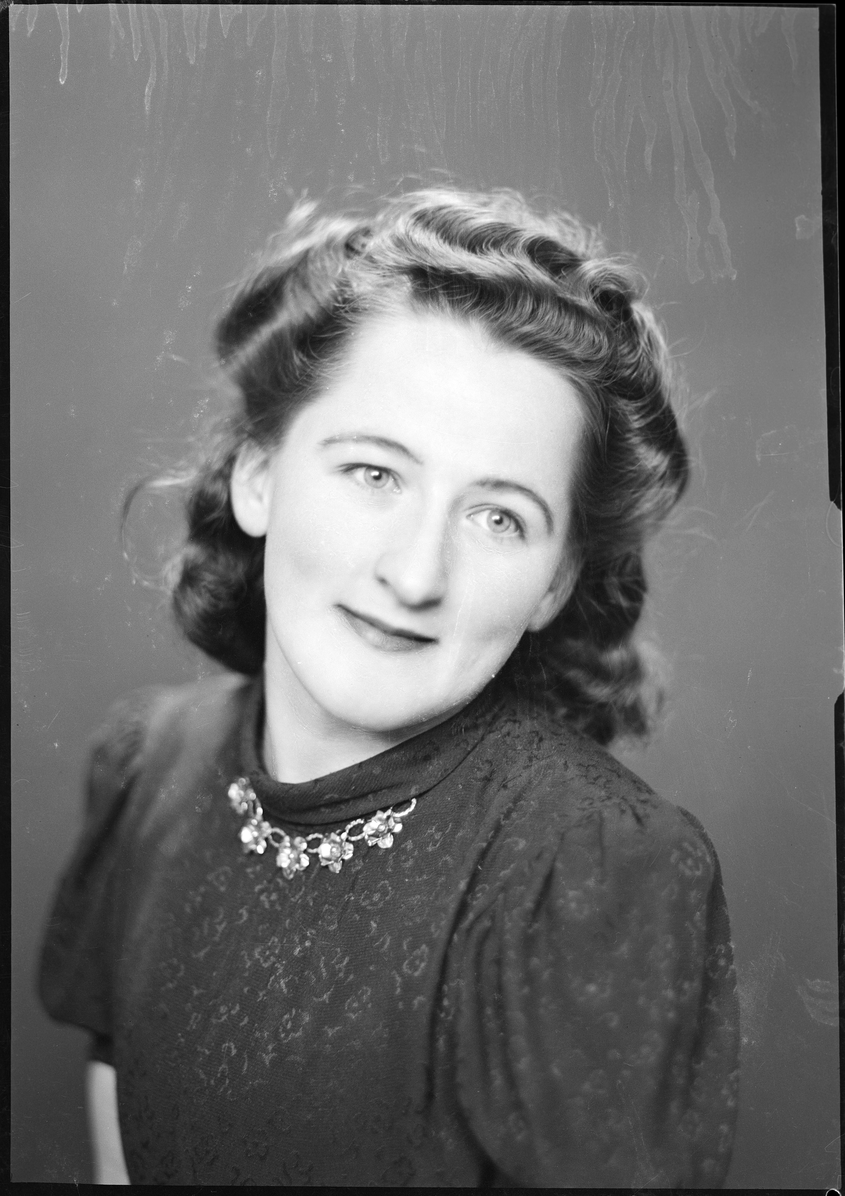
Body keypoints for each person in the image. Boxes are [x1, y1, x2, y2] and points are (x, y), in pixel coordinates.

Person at [38, 188, 740, 1187]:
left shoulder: (591, 869)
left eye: (498, 518)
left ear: (554, 583)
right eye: (373, 473)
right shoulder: (148, 764)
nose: (414, 575)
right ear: (258, 476)